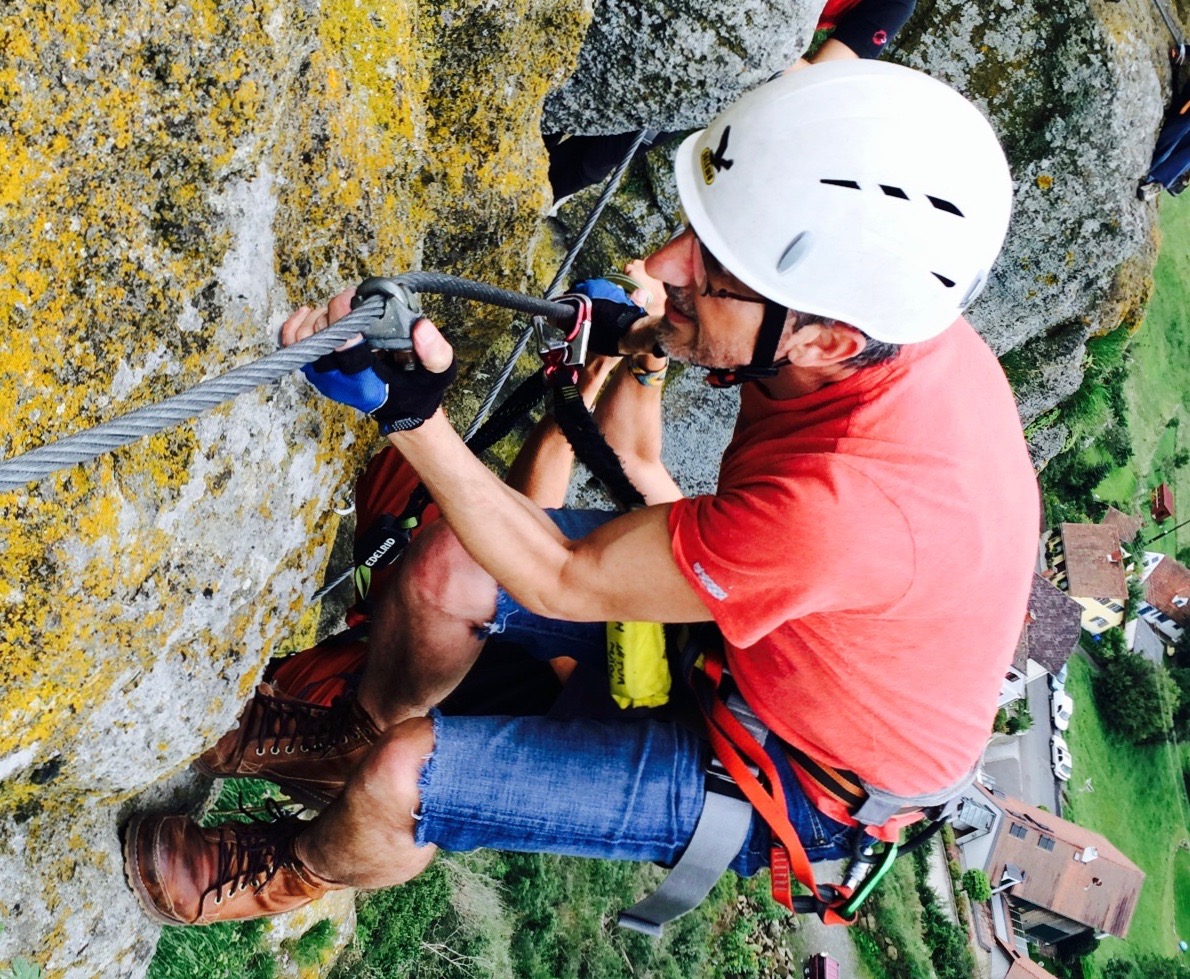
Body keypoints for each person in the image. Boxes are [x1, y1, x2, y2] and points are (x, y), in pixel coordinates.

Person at [123, 60, 1040, 929]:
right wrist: (651, 341)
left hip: (807, 770)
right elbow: (644, 473)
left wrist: (411, 414)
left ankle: (296, 868)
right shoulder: (864, 327)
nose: (667, 263)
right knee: (451, 565)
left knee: (406, 780)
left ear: (826, 341)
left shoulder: (848, 506)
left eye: (714, 273)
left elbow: (566, 576)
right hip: (778, 646)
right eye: (696, 234)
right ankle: (345, 740)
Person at [546, 0, 917, 202]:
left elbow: (818, 82)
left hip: (710, 79)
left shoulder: (894, 3)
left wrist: (745, 43)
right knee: (552, 104)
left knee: (589, 162)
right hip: (658, 26)